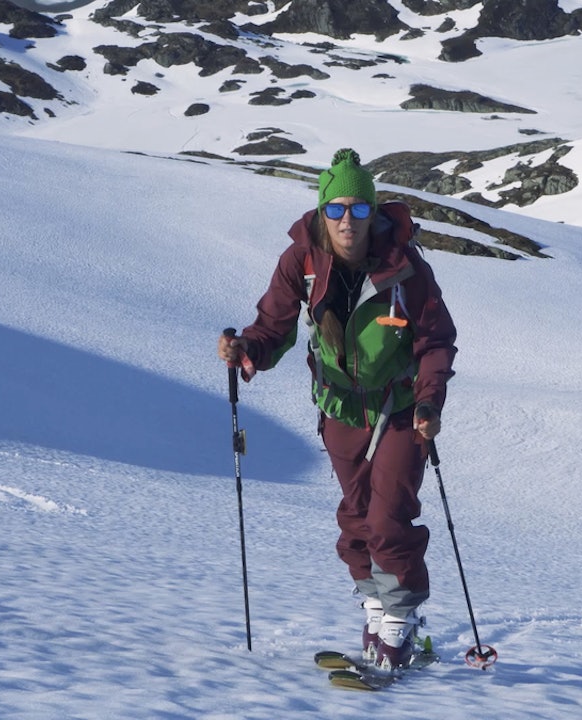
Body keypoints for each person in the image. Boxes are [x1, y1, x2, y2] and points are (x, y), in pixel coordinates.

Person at [217, 148, 457, 672]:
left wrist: (429, 400)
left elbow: (436, 339)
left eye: (359, 209)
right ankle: (374, 610)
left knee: (388, 512)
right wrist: (248, 350)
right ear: (323, 213)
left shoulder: (405, 268)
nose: (348, 220)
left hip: (398, 408)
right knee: (355, 517)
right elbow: (272, 325)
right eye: (337, 209)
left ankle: (398, 624)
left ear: (374, 213)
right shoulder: (301, 262)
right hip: (338, 409)